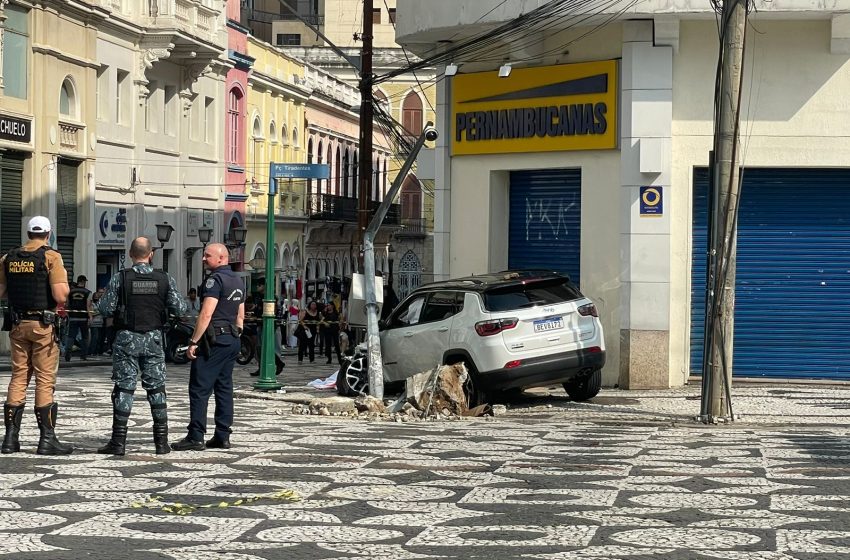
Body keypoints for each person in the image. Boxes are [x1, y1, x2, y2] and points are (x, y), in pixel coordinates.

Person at [95, 237, 188, 455]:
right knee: (156, 388)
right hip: (154, 338)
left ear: (130, 254)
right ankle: (161, 442)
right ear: (151, 254)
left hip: (126, 339)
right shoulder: (164, 278)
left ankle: (118, 442)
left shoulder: (121, 278)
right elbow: (180, 308)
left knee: (124, 387)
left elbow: (106, 308)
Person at [0, 216, 72, 455]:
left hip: (17, 324)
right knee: (44, 379)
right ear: (48, 234)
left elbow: (1, 291)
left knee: (19, 376)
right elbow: (61, 295)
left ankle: (10, 440)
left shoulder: (8, 258)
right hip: (42, 326)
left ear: (28, 233)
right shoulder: (51, 256)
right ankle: (47, 440)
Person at [172, 243, 244, 451]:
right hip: (232, 338)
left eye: (207, 255)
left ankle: (196, 436)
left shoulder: (215, 280)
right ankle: (222, 435)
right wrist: (236, 334)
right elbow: (240, 315)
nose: (203, 259)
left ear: (221, 258)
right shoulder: (238, 280)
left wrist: (194, 342)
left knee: (199, 388)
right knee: (224, 387)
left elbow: (206, 313)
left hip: (215, 340)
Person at [64, 274, 92, 361]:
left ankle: (68, 353)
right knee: (85, 337)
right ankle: (83, 355)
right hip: (83, 318)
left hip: (73, 317)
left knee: (71, 336)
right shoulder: (88, 292)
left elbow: (67, 304)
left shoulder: (70, 292)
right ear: (83, 282)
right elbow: (88, 306)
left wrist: (68, 314)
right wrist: (90, 317)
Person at [89, 287, 105, 356]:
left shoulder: (100, 303)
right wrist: (99, 312)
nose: (97, 298)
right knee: (94, 338)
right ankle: (92, 351)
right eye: (95, 297)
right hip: (94, 323)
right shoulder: (92, 304)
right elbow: (91, 312)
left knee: (99, 338)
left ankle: (97, 351)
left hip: (101, 323)